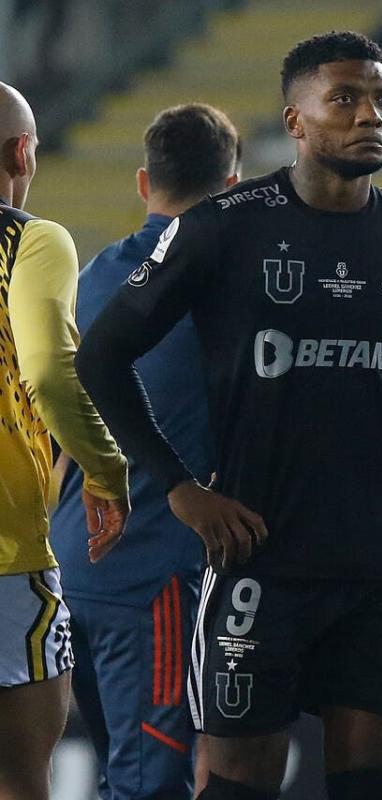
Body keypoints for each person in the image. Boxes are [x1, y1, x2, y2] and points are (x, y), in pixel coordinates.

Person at [75, 32, 382, 800]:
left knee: (369, 788)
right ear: (295, 121)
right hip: (257, 560)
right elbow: (100, 356)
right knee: (239, 787)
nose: (370, 116)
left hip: (381, 567)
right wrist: (177, 485)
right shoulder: (223, 227)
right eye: (345, 99)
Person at [49, 103, 239, 800]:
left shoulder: (94, 276)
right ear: (232, 186)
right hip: (153, 575)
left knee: (116, 773)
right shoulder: (225, 289)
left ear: (142, 182)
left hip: (72, 564)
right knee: (149, 784)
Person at [0, 81, 129, 800]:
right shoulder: (32, 238)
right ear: (22, 152)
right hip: (6, 558)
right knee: (20, 776)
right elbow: (49, 370)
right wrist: (105, 470)